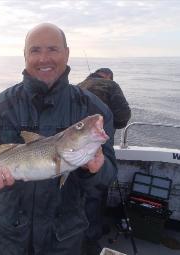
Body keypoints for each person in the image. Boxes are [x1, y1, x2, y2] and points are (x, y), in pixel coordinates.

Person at [0, 23, 118, 255]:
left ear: (67, 53)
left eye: (53, 49)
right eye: (35, 50)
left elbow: (107, 178)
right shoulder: (0, 107)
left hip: (63, 239)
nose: (44, 58)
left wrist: (96, 169)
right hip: (5, 237)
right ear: (24, 55)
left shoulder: (93, 109)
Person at [78, 69, 131, 255]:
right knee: (97, 191)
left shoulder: (79, 86)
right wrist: (108, 123)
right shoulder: (111, 85)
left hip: (76, 148)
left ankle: (81, 233)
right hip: (99, 146)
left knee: (80, 192)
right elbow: (123, 118)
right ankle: (91, 238)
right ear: (108, 77)